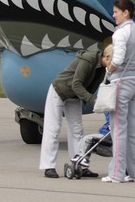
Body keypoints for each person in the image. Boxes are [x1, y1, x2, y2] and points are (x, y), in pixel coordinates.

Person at [102, 0, 135, 183]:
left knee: (118, 129)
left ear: (126, 13)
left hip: (120, 83)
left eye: (116, 12)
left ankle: (116, 173)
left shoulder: (120, 34)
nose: (113, 15)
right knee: (133, 130)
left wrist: (109, 68)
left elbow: (117, 59)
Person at [39, 44, 108, 178]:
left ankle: (79, 165)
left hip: (75, 96)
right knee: (53, 129)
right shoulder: (88, 59)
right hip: (60, 90)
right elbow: (76, 84)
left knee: (77, 130)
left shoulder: (104, 68)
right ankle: (49, 166)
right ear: (106, 57)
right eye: (112, 62)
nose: (114, 65)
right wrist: (93, 101)